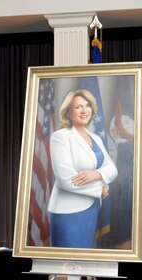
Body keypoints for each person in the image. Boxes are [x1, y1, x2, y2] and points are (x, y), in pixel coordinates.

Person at [48, 89, 118, 248]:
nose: (84, 110)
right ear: (68, 112)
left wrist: (96, 174)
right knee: (66, 265)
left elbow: (112, 169)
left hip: (91, 208)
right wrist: (99, 189)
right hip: (67, 211)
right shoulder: (60, 137)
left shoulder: (96, 138)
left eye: (87, 106)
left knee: (82, 262)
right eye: (78, 107)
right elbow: (65, 180)